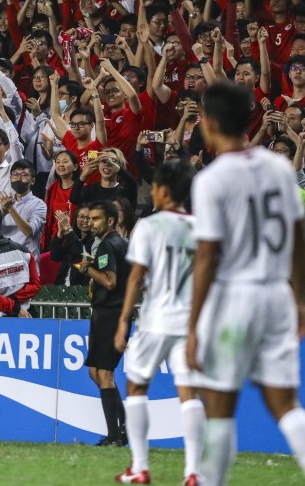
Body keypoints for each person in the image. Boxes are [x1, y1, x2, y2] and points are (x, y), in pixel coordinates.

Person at [187, 81, 305, 485]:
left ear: (212, 122)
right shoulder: (279, 168)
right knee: (286, 405)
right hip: (277, 296)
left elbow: (207, 255)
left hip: (235, 297)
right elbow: (297, 234)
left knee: (219, 406)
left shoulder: (212, 179)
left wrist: (192, 326)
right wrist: (300, 299)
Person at [113, 160, 203, 485]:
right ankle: (193, 472)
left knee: (136, 385)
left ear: (163, 190)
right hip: (189, 321)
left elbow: (137, 278)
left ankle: (140, 467)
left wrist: (124, 320)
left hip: (155, 320)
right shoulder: (199, 227)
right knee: (189, 393)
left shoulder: (149, 226)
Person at [81, 200, 131, 448]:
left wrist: (85, 268)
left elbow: (109, 281)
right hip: (108, 313)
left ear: (110, 221)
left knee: (104, 374)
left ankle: (115, 436)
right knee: (96, 373)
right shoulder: (120, 243)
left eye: (96, 219)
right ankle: (123, 429)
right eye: (89, 218)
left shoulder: (107, 246)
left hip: (110, 313)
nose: (90, 222)